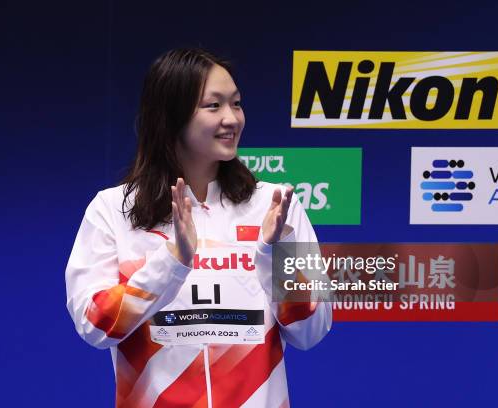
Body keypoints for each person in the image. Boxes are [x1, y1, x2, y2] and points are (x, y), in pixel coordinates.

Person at [65, 48, 332, 408]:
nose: (232, 118)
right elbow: (95, 326)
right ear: (171, 116)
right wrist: (172, 261)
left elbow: (311, 331)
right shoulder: (113, 209)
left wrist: (271, 256)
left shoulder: (275, 206)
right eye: (214, 106)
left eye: (236, 104)